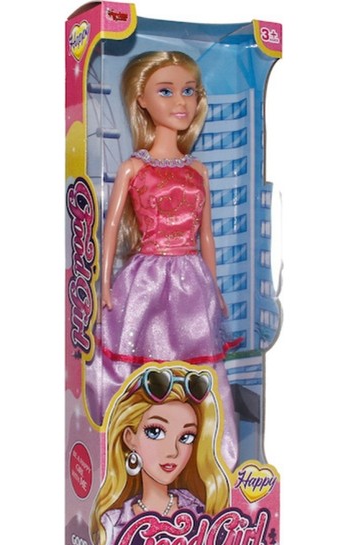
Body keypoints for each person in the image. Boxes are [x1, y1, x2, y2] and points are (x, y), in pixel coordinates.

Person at [86, 50, 240, 468]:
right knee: (139, 355)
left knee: (198, 363)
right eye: (167, 91)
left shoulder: (198, 170)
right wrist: (103, 283)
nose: (181, 102)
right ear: (141, 99)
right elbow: (110, 228)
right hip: (146, 279)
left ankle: (205, 457)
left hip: (191, 279)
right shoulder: (134, 168)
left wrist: (215, 288)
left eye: (189, 91)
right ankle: (129, 450)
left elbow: (206, 235)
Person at [89, 365, 231, 545]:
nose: (173, 451)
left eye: (186, 437)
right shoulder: (116, 522)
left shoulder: (195, 508)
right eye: (155, 432)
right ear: (130, 438)